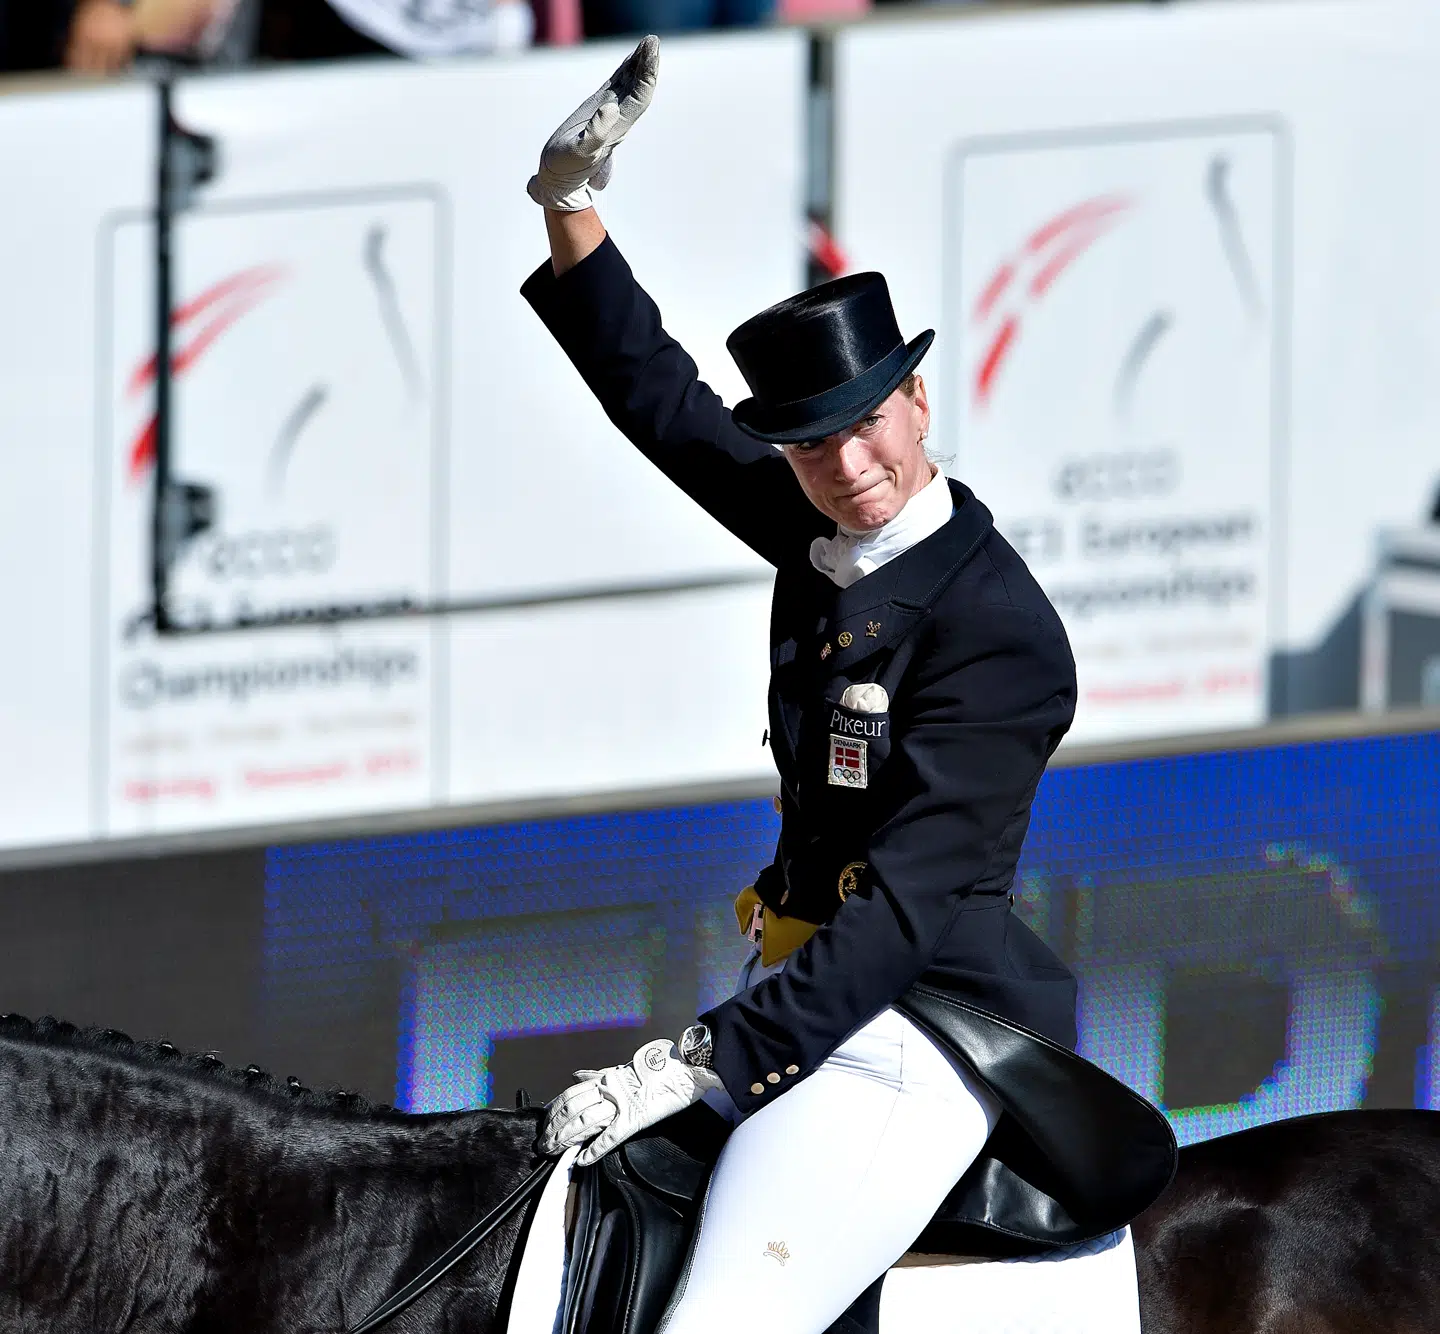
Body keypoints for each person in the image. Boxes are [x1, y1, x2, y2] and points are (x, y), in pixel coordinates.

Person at [522, 39, 1130, 1334]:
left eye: (865, 424)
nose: (845, 462)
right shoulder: (825, 535)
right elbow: (662, 401)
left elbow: (906, 909)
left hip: (922, 1021)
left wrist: (711, 1055)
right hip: (801, 985)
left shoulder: (991, 625)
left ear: (916, 400)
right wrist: (571, 209)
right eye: (807, 442)